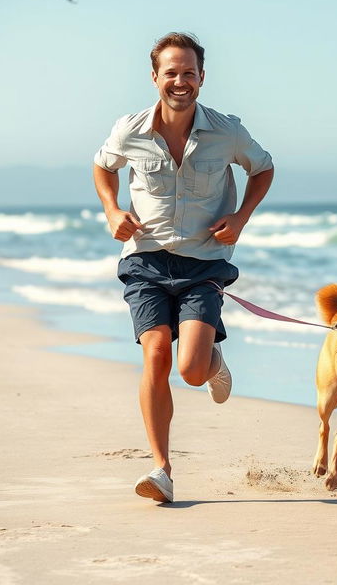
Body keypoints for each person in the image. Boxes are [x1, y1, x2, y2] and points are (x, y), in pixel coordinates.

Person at [93, 32, 274, 503]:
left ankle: (213, 362)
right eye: (170, 72)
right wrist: (113, 210)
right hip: (145, 258)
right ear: (155, 77)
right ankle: (161, 470)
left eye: (188, 72)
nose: (180, 81)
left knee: (191, 370)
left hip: (204, 263)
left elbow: (263, 167)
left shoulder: (227, 131)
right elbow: (103, 166)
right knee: (156, 354)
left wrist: (240, 218)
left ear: (201, 78)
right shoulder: (129, 129)